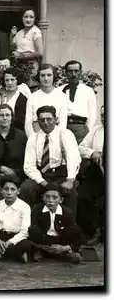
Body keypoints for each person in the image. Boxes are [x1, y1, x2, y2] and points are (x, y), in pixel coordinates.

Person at [21, 105, 81, 216]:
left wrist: (70, 180)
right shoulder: (33, 139)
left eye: (49, 119)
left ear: (56, 119)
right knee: (26, 188)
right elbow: (28, 166)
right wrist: (43, 182)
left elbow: (73, 158)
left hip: (62, 175)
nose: (46, 123)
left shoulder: (65, 134)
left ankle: (69, 227)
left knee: (70, 192)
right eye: (42, 120)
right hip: (42, 175)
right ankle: (29, 224)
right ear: (38, 121)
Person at [28, 183, 82, 264]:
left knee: (76, 230)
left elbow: (74, 232)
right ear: (42, 197)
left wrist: (63, 248)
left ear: (61, 200)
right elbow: (34, 230)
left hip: (60, 241)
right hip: (44, 241)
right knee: (32, 230)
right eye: (47, 197)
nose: (50, 200)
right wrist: (42, 246)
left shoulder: (67, 212)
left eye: (55, 197)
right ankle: (44, 251)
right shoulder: (37, 209)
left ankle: (60, 252)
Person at [0, 176, 32, 263]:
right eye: (6, 189)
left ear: (18, 191)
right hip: (1, 236)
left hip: (16, 238)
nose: (9, 193)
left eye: (13, 189)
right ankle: (16, 254)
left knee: (26, 244)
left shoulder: (25, 207)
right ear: (1, 190)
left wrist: (9, 242)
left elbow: (24, 231)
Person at [78, 105, 104, 245]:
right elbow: (81, 147)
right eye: (103, 115)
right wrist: (92, 153)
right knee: (84, 195)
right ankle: (95, 230)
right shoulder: (96, 130)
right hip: (96, 171)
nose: (105, 118)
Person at [24, 64, 69, 138]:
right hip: (36, 134)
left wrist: (57, 139)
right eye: (42, 75)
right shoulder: (32, 97)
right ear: (38, 77)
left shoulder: (62, 97)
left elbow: (63, 122)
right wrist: (33, 139)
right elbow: (28, 123)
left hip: (56, 135)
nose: (46, 78)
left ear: (53, 76)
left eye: (49, 75)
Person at [58, 60, 97, 143]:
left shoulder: (88, 90)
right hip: (63, 127)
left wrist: (87, 132)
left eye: (76, 71)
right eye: (70, 71)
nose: (73, 74)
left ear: (80, 72)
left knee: (81, 153)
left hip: (81, 129)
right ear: (66, 73)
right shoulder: (58, 90)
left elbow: (92, 115)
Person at [10, 8, 44, 82]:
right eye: (25, 17)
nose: (28, 20)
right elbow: (12, 48)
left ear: (35, 19)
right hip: (18, 65)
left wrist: (22, 55)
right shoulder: (19, 33)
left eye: (31, 17)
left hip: (30, 66)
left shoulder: (35, 31)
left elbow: (40, 52)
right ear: (21, 18)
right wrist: (12, 36)